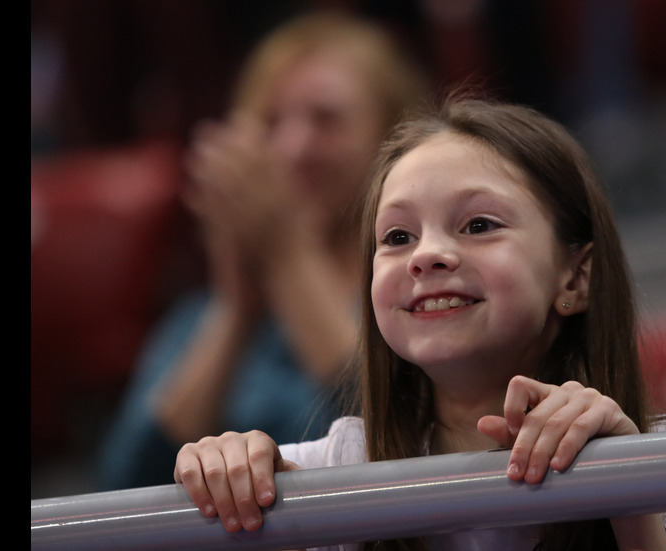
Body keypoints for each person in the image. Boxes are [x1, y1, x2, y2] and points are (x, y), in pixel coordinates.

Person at [172, 96, 666, 551]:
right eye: (396, 236)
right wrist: (221, 471)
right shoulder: (318, 476)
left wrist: (627, 494)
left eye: (478, 225)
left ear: (575, 278)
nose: (426, 255)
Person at [97, 11, 428, 491]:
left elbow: (409, 430)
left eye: (326, 119)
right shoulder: (199, 315)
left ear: (391, 136)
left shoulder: (421, 289)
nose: (294, 147)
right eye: (270, 122)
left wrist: (290, 260)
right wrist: (235, 311)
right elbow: (123, 487)